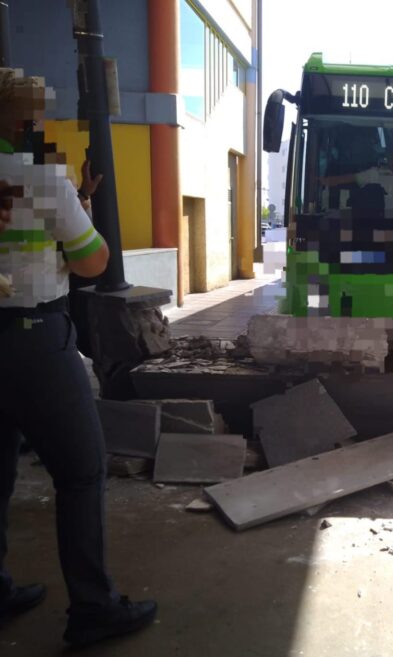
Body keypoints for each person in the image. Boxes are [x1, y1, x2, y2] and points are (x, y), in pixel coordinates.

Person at [0, 69, 157, 646]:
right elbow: (93, 262)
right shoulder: (40, 179)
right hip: (35, 339)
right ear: (23, 118)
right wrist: (77, 210)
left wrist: (76, 201)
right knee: (82, 470)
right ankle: (93, 607)